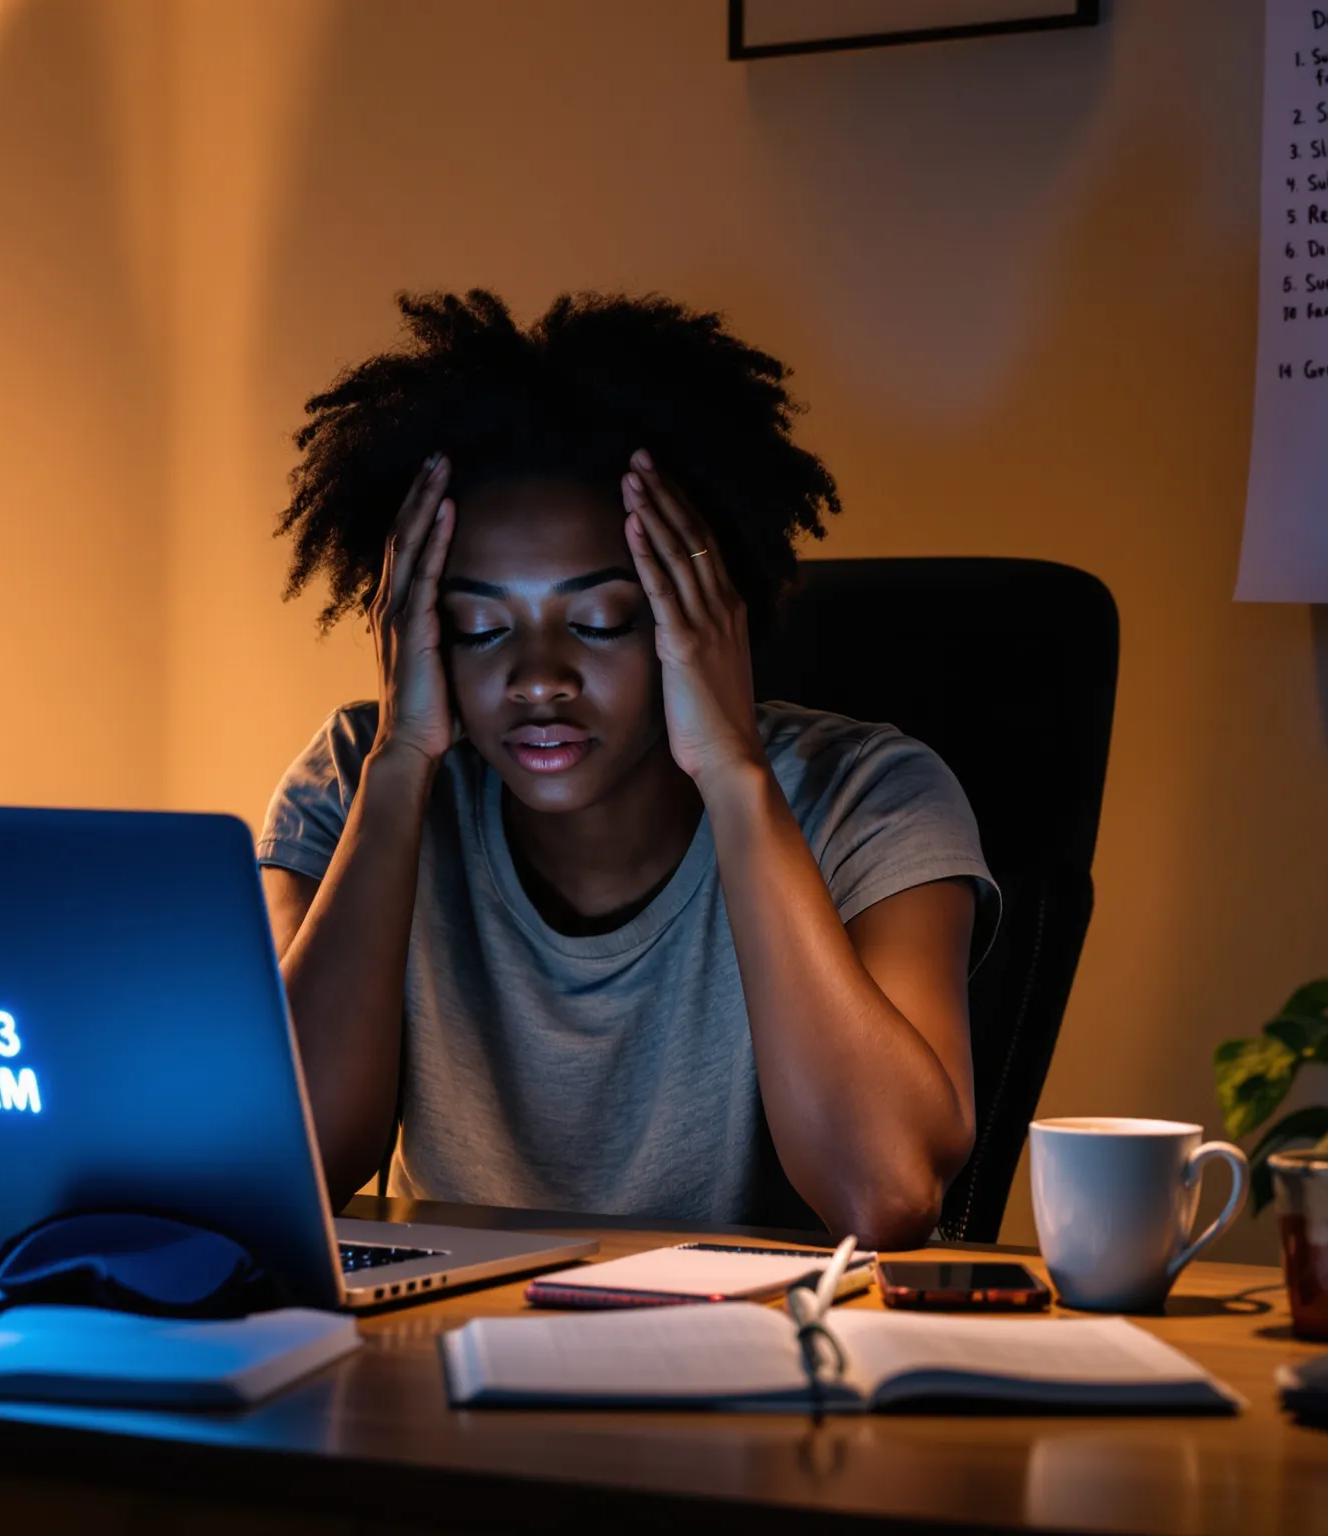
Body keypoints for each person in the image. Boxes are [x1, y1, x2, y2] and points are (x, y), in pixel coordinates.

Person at [257, 291, 992, 1247]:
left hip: (767, 1368)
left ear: (704, 618)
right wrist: (400, 768)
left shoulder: (875, 798)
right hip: (444, 1361)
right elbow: (281, 1165)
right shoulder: (356, 781)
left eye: (600, 622)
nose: (538, 680)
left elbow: (886, 1194)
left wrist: (734, 772)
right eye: (479, 629)